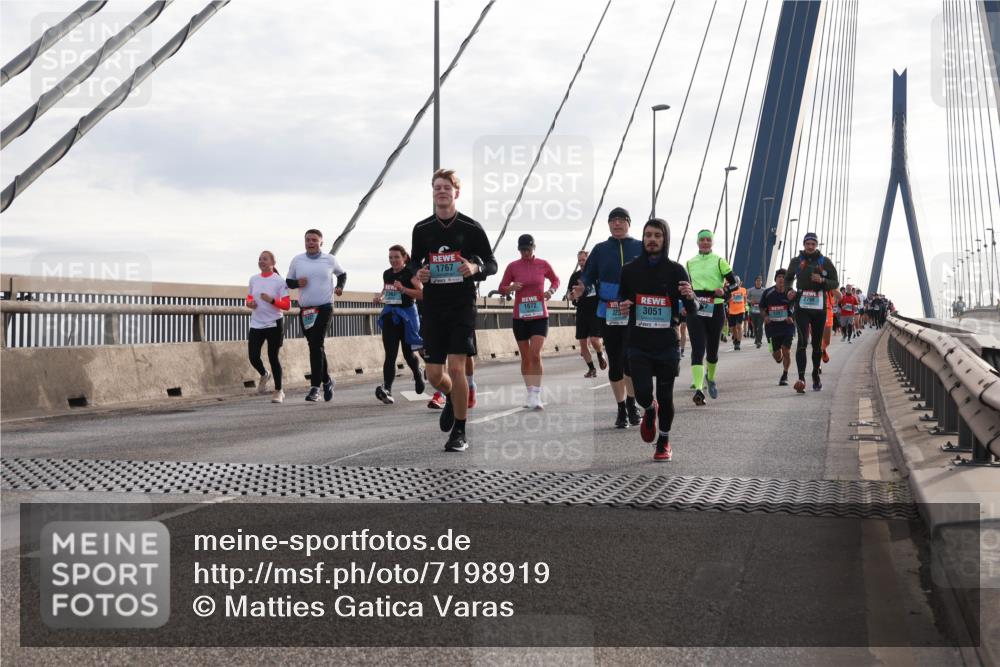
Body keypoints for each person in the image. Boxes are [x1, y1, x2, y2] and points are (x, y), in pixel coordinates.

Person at [411, 168, 497, 452]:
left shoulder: (471, 228)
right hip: (433, 307)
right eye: (437, 187)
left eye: (447, 187)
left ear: (456, 193)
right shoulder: (422, 229)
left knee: (457, 369)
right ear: (432, 192)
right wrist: (420, 273)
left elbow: (491, 263)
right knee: (434, 375)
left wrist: (475, 268)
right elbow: (413, 264)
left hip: (461, 306)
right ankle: (449, 396)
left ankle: (459, 431)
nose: (442, 191)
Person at [617, 218, 698, 461]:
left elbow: (692, 309)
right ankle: (649, 409)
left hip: (666, 343)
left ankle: (663, 441)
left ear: (665, 240)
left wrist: (691, 297)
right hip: (638, 342)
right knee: (642, 394)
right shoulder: (629, 270)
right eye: (648, 235)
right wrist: (624, 305)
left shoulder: (676, 271)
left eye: (657, 236)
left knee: (666, 395)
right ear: (643, 239)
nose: (652, 239)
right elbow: (622, 301)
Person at [572, 206, 643, 428]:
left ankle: (632, 405)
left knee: (630, 362)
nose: (617, 224)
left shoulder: (639, 247)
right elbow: (588, 275)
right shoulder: (600, 249)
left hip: (633, 311)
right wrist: (580, 288)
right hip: (608, 311)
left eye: (622, 220)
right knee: (615, 363)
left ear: (629, 223)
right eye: (613, 221)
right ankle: (621, 409)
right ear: (609, 225)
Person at [499, 234, 560, 409]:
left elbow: (556, 280)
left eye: (528, 249)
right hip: (520, 317)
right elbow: (502, 287)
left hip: (540, 316)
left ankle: (536, 394)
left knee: (535, 354)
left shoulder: (543, 264)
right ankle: (530, 392)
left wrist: (551, 291)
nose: (525, 253)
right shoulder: (513, 266)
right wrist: (510, 288)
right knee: (525, 357)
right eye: (522, 250)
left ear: (534, 248)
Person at [286, 229, 346, 402]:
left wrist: (339, 287)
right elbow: (288, 281)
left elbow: (342, 274)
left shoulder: (329, 259)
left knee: (316, 343)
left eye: (314, 240)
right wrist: (297, 283)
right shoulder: (297, 260)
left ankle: (314, 387)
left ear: (321, 243)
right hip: (306, 310)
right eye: (308, 240)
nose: (310, 243)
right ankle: (327, 380)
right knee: (315, 346)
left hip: (325, 307)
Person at [685, 229, 739, 405]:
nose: (705, 242)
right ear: (698, 242)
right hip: (697, 309)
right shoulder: (690, 263)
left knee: (712, 351)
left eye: (708, 240)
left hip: (715, 308)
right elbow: (685, 285)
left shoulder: (719, 261)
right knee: (697, 349)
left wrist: (725, 290)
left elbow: (735, 283)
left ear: (712, 242)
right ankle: (699, 389)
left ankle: (711, 377)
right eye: (702, 240)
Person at [784, 232, 839, 393]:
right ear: (804, 244)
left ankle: (815, 374)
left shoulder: (825, 262)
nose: (810, 246)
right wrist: (789, 290)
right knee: (802, 341)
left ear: (816, 245)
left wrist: (822, 281)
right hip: (801, 304)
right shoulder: (796, 261)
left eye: (813, 244)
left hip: (819, 306)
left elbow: (835, 282)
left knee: (816, 345)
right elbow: (788, 278)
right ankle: (801, 378)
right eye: (808, 244)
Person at [374, 245, 426, 405]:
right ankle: (387, 389)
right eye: (390, 257)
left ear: (404, 257)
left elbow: (422, 294)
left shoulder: (410, 273)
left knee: (408, 353)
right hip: (391, 314)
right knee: (390, 354)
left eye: (396, 257)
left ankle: (417, 374)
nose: (393, 260)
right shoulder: (387, 273)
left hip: (407, 316)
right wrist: (380, 298)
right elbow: (387, 289)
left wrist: (403, 289)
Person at [247, 250, 290, 403]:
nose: (261, 261)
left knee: (273, 357)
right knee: (253, 356)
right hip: (256, 323)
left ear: (273, 262)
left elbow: (287, 305)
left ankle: (279, 391)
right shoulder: (254, 279)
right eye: (259, 259)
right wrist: (250, 304)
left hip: (274, 323)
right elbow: (250, 298)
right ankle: (264, 373)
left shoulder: (279, 281)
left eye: (265, 259)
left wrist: (272, 300)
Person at [567, 249, 607, 377]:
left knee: (595, 340)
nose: (581, 263)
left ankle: (600, 354)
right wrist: (572, 296)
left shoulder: (596, 274)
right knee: (582, 343)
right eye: (579, 260)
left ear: (589, 260)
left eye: (584, 260)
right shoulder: (575, 276)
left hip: (596, 311)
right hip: (582, 312)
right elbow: (568, 295)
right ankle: (591, 369)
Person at [763, 268, 795, 385]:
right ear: (775, 279)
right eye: (779, 277)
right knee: (777, 356)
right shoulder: (768, 293)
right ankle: (779, 358)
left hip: (787, 327)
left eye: (784, 277)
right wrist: (765, 316)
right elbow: (762, 308)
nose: (781, 279)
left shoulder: (791, 292)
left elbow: (797, 307)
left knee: (786, 349)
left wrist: (792, 317)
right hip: (773, 327)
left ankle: (785, 375)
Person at [727, 280, 748, 351]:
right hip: (732, 311)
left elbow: (745, 299)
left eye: (737, 282)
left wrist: (744, 306)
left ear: (740, 283)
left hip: (741, 310)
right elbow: (726, 299)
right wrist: (729, 299)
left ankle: (738, 343)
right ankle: (735, 339)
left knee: (739, 326)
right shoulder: (729, 290)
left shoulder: (743, 290)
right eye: (734, 282)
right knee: (733, 328)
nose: (736, 284)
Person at [747, 276, 766, 349]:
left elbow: (766, 299)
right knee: (754, 326)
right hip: (753, 311)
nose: (758, 282)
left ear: (761, 282)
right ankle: (756, 338)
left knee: (760, 326)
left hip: (761, 311)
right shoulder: (750, 290)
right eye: (757, 281)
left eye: (760, 281)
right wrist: (750, 301)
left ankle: (759, 341)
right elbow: (747, 299)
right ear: (755, 282)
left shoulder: (764, 290)